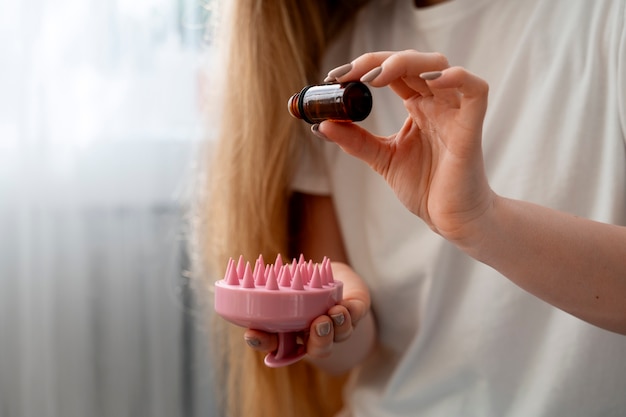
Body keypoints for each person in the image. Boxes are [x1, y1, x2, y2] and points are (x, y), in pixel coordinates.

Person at [197, 0, 626, 416]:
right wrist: (327, 316)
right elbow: (351, 352)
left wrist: (481, 221)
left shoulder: (605, 18)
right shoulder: (343, 53)